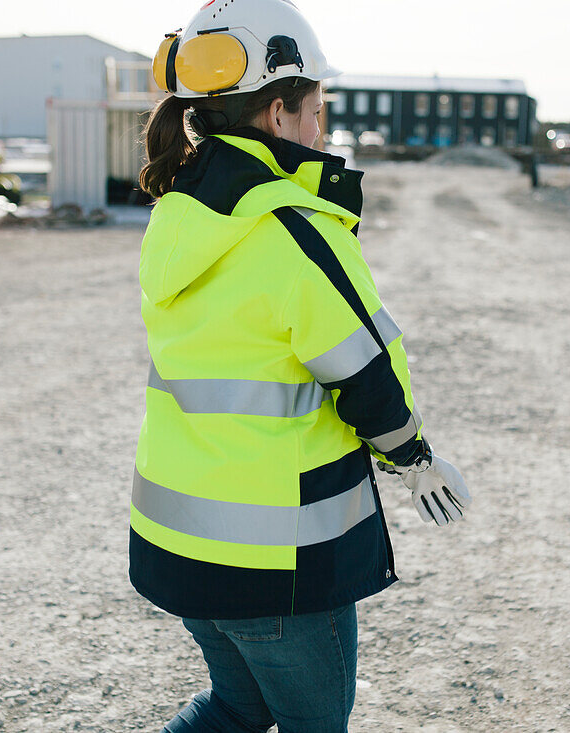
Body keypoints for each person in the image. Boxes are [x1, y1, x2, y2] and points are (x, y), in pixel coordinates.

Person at [130, 1, 472, 730]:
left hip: (181, 543)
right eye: (317, 108)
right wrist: (416, 459)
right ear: (279, 113)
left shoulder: (180, 212)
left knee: (235, 708)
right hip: (273, 564)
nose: (322, 127)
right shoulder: (289, 229)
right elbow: (366, 373)